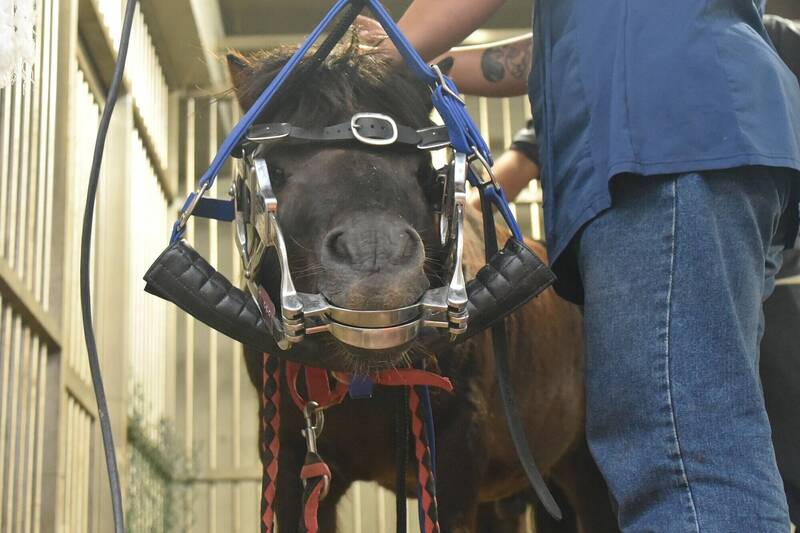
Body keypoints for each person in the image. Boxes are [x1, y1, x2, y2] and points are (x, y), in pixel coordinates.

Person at [359, 2, 800, 531]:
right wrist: (423, 60)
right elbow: (542, 52)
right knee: (692, 438)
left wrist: (393, 45)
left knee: (680, 454)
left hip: (661, 142)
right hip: (697, 138)